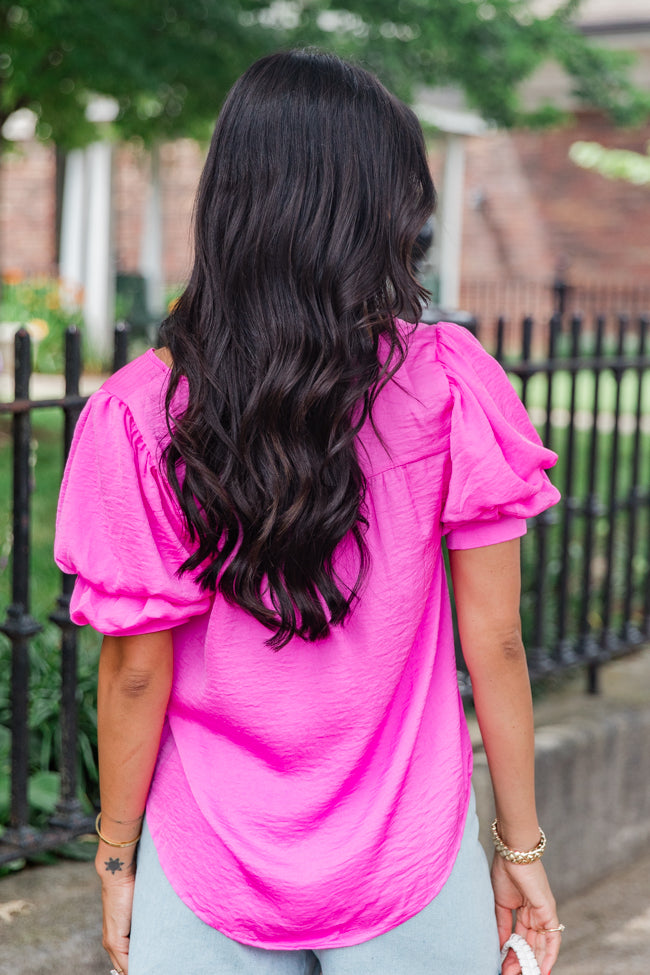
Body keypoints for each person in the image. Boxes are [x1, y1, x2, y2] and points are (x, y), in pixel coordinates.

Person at [55, 49, 563, 975]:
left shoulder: (135, 415)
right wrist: (520, 851)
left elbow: (135, 670)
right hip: (409, 863)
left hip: (208, 867)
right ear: (379, 213)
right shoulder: (450, 383)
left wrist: (117, 856)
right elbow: (497, 644)